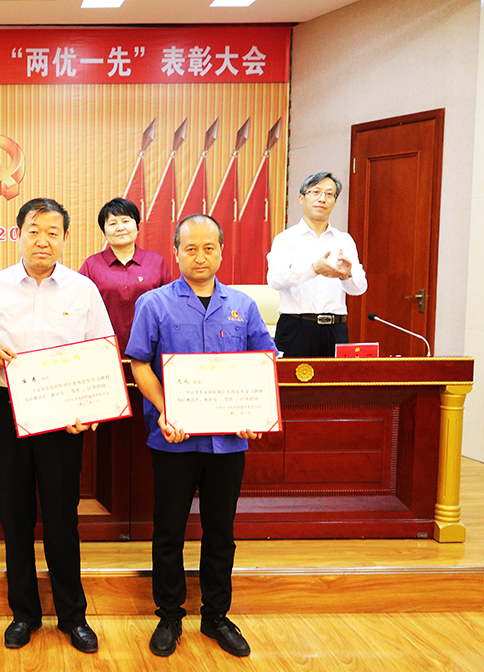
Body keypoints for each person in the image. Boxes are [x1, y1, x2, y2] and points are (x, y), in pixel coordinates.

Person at [126, 214, 276, 659]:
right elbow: (139, 364)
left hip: (228, 441)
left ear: (222, 252)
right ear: (175, 252)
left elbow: (263, 362)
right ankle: (169, 615)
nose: (200, 256)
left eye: (209, 248)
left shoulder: (243, 305)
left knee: (220, 532)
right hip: (174, 438)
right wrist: (166, 410)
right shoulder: (154, 304)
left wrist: (253, 412)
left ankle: (216, 616)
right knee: (169, 530)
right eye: (190, 248)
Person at [0, 198, 113, 654]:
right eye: (34, 230)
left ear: (66, 238)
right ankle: (24, 614)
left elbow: (102, 350)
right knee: (15, 518)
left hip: (63, 418)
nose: (43, 240)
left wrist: (92, 410)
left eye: (53, 232)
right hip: (7, 410)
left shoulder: (83, 290)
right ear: (18, 234)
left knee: (61, 518)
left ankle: (73, 616)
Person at [266, 172, 368, 357]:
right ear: (301, 198)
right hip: (296, 328)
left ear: (334, 202)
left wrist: (346, 275)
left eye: (329, 194)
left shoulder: (344, 240)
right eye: (315, 192)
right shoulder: (285, 239)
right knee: (293, 376)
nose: (322, 199)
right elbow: (275, 280)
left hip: (336, 329)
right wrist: (313, 270)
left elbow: (359, 288)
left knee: (337, 376)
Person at [79, 197, 170, 353]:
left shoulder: (156, 262)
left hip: (151, 349)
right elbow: (79, 308)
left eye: (126, 221)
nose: (120, 228)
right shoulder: (91, 265)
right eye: (113, 223)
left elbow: (168, 306)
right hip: (103, 350)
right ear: (104, 232)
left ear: (137, 226)